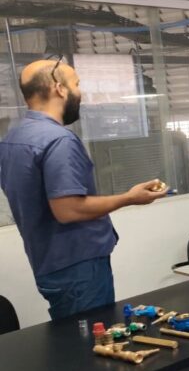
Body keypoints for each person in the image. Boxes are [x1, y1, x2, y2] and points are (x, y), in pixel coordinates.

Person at [0, 58, 166, 320]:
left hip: (49, 262)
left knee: (72, 336)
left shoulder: (13, 139)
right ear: (59, 89)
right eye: (76, 85)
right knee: (92, 339)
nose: (80, 93)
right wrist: (129, 198)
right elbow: (67, 209)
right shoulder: (59, 140)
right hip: (78, 267)